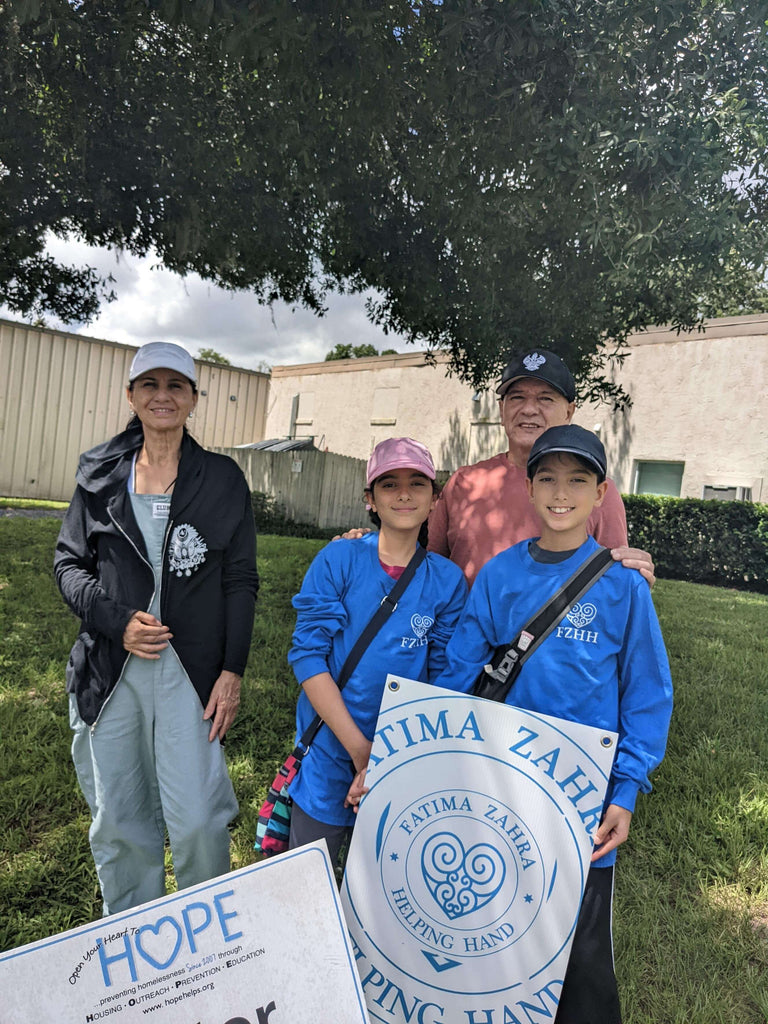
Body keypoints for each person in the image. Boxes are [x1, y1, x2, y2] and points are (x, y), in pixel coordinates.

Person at [435, 423, 673, 1024]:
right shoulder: (499, 576)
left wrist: (625, 792)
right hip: (502, 788)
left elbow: (646, 695)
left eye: (577, 479)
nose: (561, 492)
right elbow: (460, 676)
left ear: (601, 493)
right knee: (495, 936)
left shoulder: (622, 586)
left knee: (581, 957)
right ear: (530, 487)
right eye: (547, 478)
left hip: (584, 800)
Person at [54, 341, 259, 915]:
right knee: (120, 817)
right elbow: (68, 564)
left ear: (194, 398)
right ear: (131, 395)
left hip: (189, 673)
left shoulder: (221, 479)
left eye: (176, 386)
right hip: (113, 669)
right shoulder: (100, 475)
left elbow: (240, 579)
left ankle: (209, 943)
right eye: (150, 385)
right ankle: (132, 943)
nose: (162, 396)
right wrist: (115, 622)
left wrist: (232, 671)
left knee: (196, 818)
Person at [287, 437, 467, 867]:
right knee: (307, 884)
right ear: (370, 499)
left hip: (401, 758)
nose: (403, 494)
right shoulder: (339, 559)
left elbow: (443, 678)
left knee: (380, 891)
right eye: (389, 484)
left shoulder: (447, 581)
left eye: (416, 484)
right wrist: (359, 749)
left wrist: (389, 757)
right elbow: (308, 657)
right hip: (330, 751)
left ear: (434, 497)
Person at [428, 348, 650, 587]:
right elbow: (432, 569)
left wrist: (635, 579)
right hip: (468, 624)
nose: (529, 409)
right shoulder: (464, 482)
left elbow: (612, 581)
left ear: (569, 411)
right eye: (517, 397)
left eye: (545, 398)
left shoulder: (593, 491)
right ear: (502, 410)